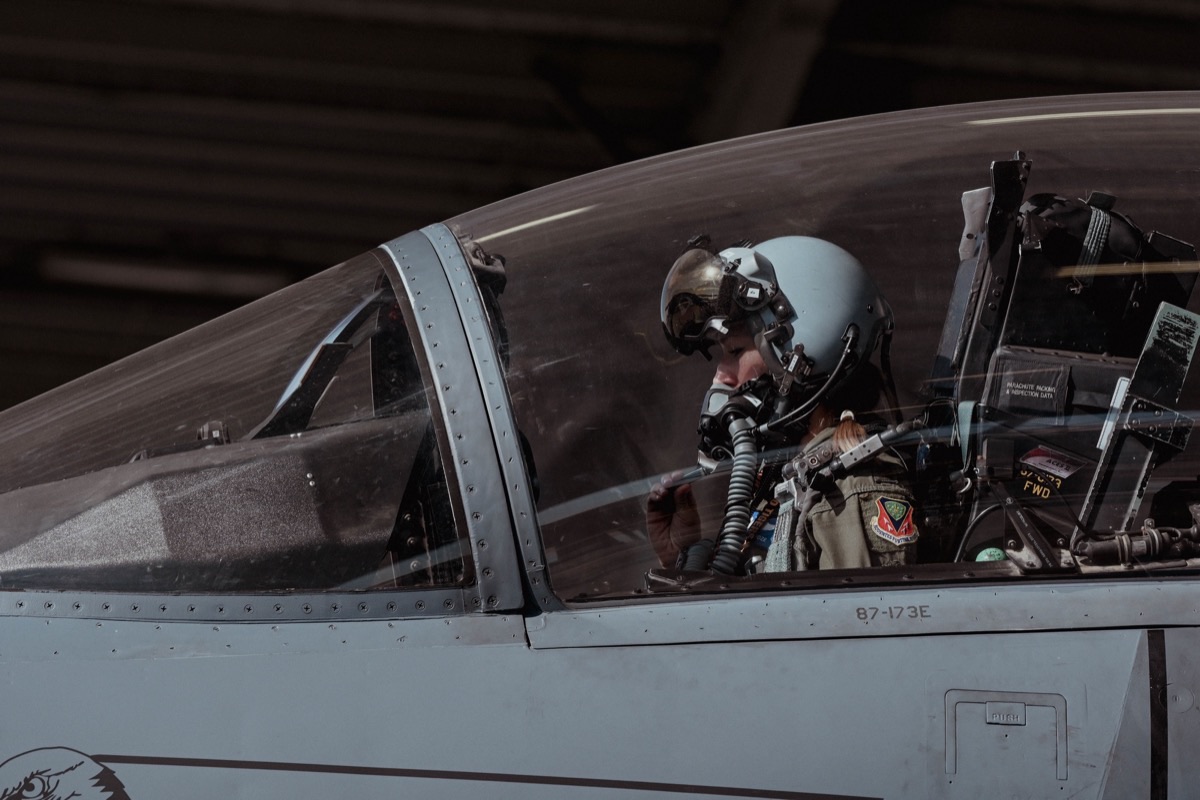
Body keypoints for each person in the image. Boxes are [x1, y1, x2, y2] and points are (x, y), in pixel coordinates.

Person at [647, 235, 922, 574]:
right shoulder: (783, 479)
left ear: (804, 355)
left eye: (734, 352)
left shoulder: (847, 492)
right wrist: (682, 558)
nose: (721, 376)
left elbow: (859, 622)